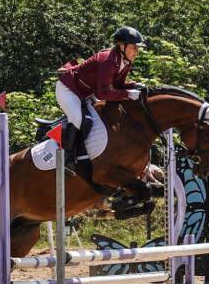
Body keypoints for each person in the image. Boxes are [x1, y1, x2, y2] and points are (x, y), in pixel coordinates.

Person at [56, 26, 146, 174]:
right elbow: (103, 93)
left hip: (87, 92)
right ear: (122, 46)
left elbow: (118, 85)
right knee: (77, 118)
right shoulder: (108, 61)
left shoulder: (125, 62)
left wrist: (134, 85)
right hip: (69, 89)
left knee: (101, 116)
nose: (137, 51)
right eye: (134, 47)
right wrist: (128, 94)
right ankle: (67, 159)